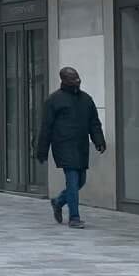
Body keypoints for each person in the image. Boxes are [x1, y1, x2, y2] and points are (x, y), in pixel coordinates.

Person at [35, 66, 107, 228]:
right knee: (73, 182)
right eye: (73, 78)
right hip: (63, 146)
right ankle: (74, 218)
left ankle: (59, 201)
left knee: (81, 181)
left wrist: (99, 140)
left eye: (78, 77)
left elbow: (94, 123)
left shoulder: (86, 99)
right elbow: (46, 127)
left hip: (81, 146)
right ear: (64, 80)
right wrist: (42, 150)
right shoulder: (53, 100)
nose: (77, 80)